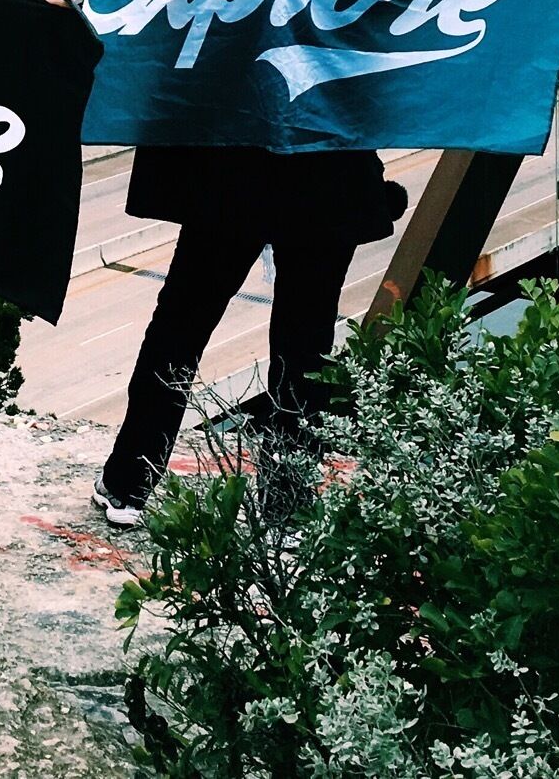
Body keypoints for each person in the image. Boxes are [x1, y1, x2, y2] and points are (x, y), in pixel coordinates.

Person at [90, 145, 407, 527]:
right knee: (306, 344)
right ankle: (287, 507)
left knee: (180, 328)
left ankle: (128, 483)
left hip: (235, 168)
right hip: (328, 172)